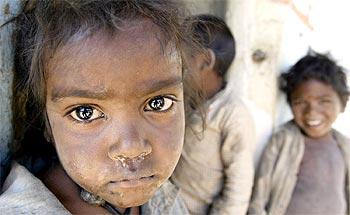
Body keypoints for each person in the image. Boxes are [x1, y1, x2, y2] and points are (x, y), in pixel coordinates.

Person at [0, 0, 202, 214]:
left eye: (158, 103)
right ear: (47, 123)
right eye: (85, 113)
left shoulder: (165, 199)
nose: (131, 149)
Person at [171, 14, 255, 215]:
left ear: (205, 61)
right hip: (164, 198)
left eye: (181, 58)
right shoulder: (181, 97)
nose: (174, 64)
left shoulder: (233, 115)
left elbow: (239, 186)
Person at [249, 52, 350, 215]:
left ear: (343, 102)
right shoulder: (282, 140)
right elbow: (260, 195)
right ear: (290, 104)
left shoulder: (344, 146)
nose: (311, 112)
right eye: (301, 102)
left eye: (324, 101)